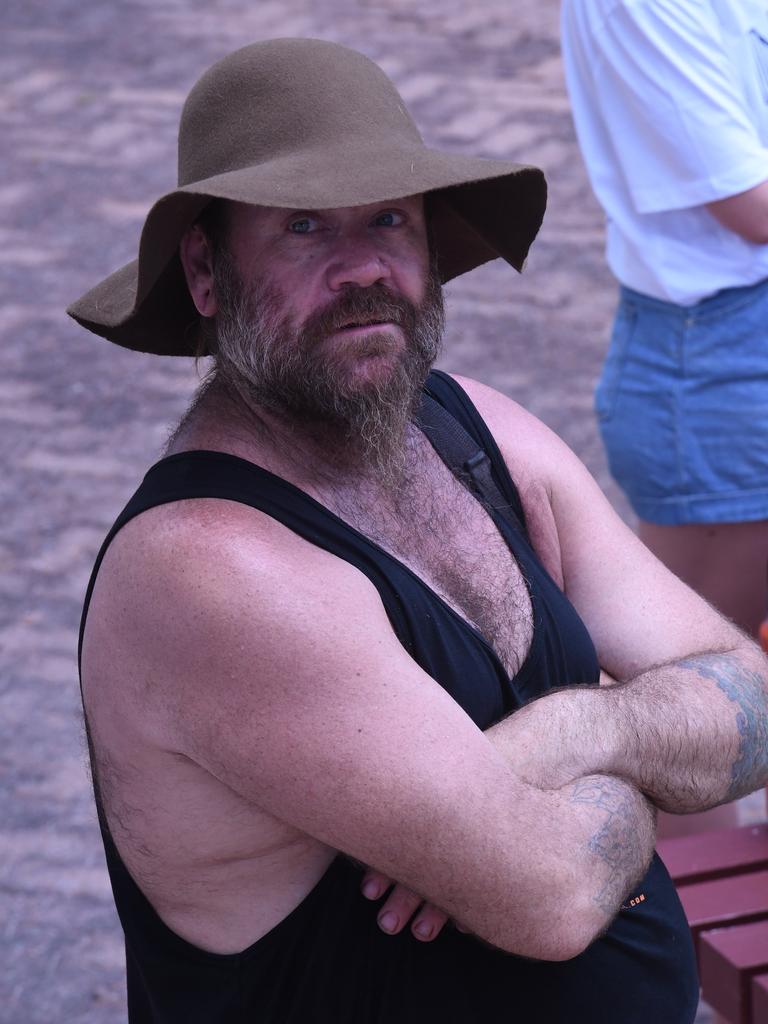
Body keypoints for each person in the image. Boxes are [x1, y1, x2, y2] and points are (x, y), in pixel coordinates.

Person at [68, 38, 768, 1024]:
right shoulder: (205, 568)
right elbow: (554, 892)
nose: (362, 268)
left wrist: (583, 726)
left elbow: (751, 694)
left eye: (390, 218)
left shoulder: (477, 428)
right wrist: (653, 754)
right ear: (205, 270)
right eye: (304, 226)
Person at [560, 0, 768, 837]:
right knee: (688, 727)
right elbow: (747, 202)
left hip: (729, 344)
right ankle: (674, 959)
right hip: (722, 358)